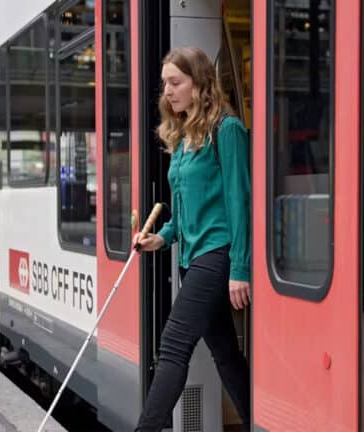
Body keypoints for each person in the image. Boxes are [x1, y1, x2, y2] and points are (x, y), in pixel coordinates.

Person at [133, 47, 252, 431]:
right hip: (192, 258)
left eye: (175, 82)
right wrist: (163, 238)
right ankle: (257, 421)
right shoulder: (184, 136)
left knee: (172, 346)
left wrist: (240, 267)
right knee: (225, 354)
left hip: (216, 256)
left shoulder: (227, 129)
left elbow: (240, 200)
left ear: (199, 83)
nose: (167, 91)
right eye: (165, 83)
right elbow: (182, 208)